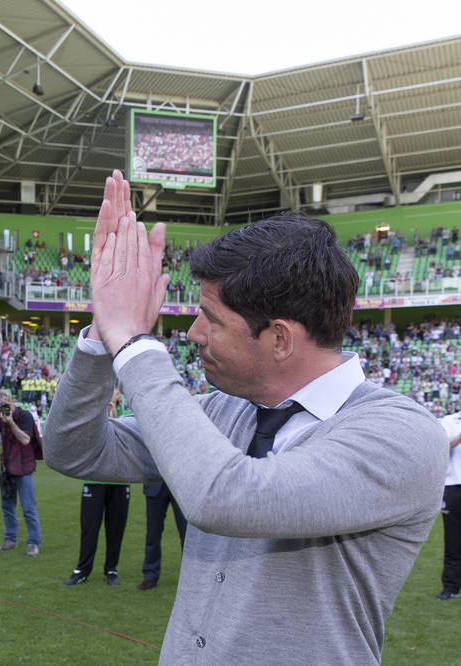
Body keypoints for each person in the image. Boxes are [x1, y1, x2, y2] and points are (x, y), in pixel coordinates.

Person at [43, 170, 447, 664]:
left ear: (279, 338)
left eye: (211, 319)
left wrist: (134, 343)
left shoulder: (400, 436)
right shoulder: (225, 409)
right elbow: (73, 449)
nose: (193, 333)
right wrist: (100, 339)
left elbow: (227, 497)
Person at [63, 389, 130, 586]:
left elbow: (126, 444)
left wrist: (114, 418)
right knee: (89, 528)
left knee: (116, 527)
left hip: (119, 480)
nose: (111, 394)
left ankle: (111, 569)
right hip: (94, 479)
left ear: (118, 394)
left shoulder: (127, 415)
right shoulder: (93, 417)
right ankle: (82, 569)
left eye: (114, 391)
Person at [0, 388, 42, 557]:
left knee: (28, 508)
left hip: (24, 468)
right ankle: (10, 539)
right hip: (8, 468)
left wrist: (10, 422)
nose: (4, 408)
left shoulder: (24, 416)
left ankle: (33, 543)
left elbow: (25, 440)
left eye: (5, 405)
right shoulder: (0, 418)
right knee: (7, 507)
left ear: (11, 402)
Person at [136, 481, 186, 591]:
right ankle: (150, 576)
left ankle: (190, 577)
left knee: (187, 537)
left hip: (180, 486)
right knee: (152, 535)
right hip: (155, 485)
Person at [438, 410, 461, 600]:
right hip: (453, 486)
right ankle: (451, 587)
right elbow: (442, 446)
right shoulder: (449, 421)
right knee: (453, 540)